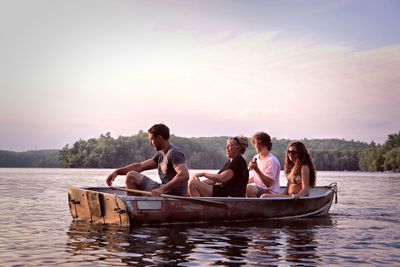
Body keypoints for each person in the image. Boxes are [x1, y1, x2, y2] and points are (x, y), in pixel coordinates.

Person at [106, 123, 190, 196]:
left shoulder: (174, 153)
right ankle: (134, 207)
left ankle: (133, 207)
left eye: (151, 140)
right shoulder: (161, 155)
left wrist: (162, 189)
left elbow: (184, 175)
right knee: (131, 176)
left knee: (131, 176)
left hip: (174, 195)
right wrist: (117, 172)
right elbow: (140, 166)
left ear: (159, 138)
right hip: (162, 190)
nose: (150, 144)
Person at [246, 132, 281, 197]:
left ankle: (256, 207)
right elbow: (256, 178)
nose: (256, 145)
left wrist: (256, 169)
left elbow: (268, 184)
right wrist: (243, 182)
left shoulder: (272, 160)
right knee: (242, 187)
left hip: (270, 192)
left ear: (267, 144)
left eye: (260, 143)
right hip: (259, 189)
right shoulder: (256, 157)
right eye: (255, 143)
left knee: (249, 189)